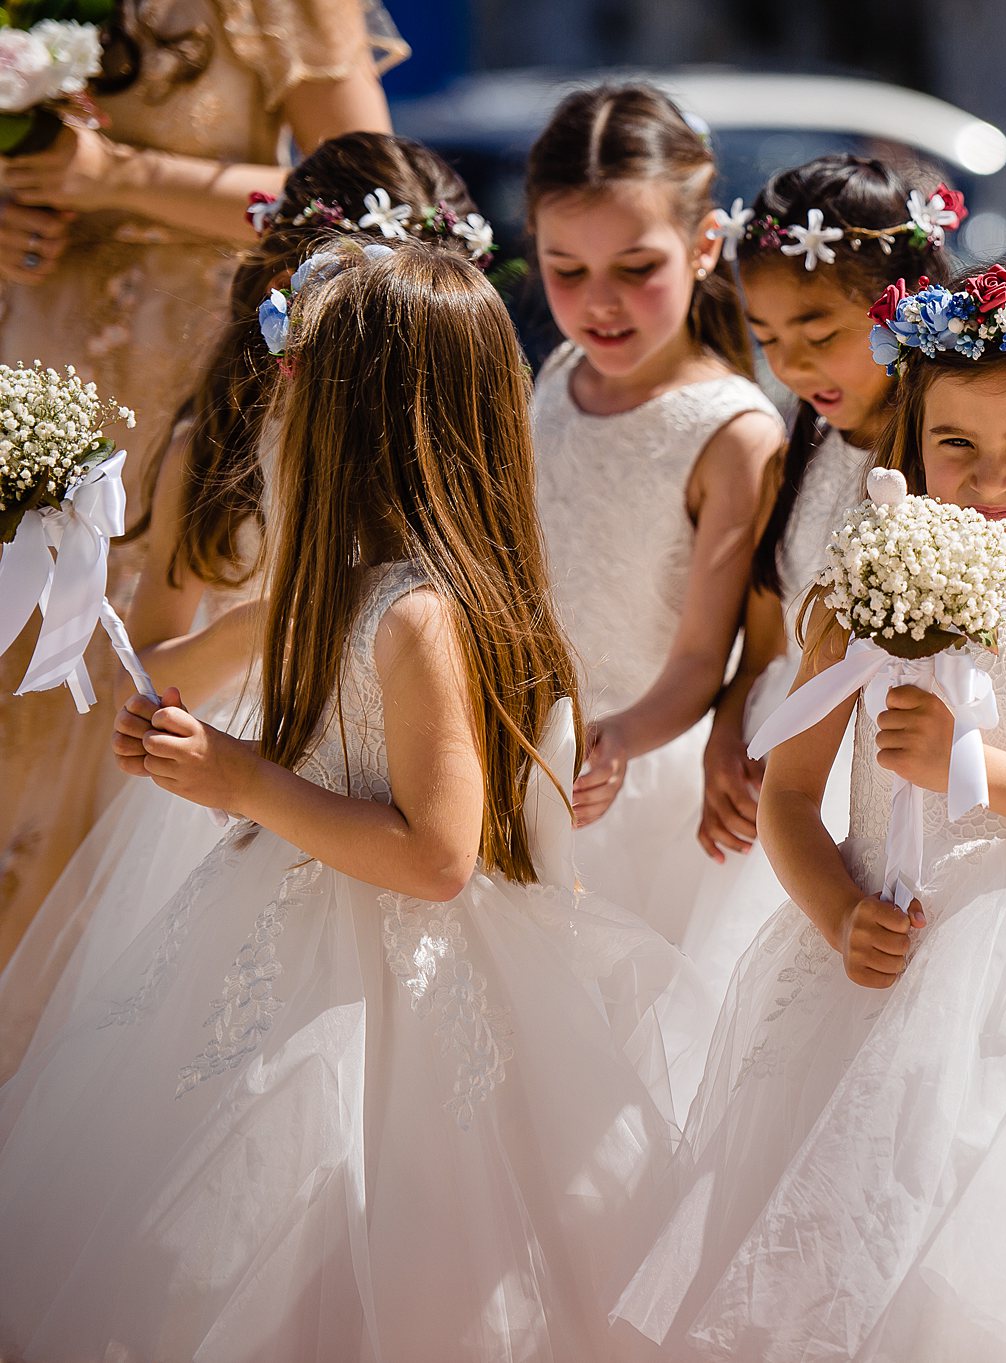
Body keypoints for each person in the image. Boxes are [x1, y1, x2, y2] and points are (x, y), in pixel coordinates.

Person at [0, 242, 687, 1359]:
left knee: (345, 1242)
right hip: (277, 929)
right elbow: (178, 665)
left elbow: (436, 859)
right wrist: (134, 672)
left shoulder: (415, 617)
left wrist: (237, 778)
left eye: (298, 379)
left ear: (369, 414)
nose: (276, 404)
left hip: (396, 983)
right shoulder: (328, 585)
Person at [615, 264, 1006, 1362]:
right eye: (956, 444)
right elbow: (795, 800)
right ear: (911, 443)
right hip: (881, 976)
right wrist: (831, 910)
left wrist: (973, 768)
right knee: (857, 1274)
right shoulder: (861, 586)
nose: (988, 479)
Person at [0, 131, 492, 1081]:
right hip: (225, 792)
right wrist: (284, 614)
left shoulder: (450, 448)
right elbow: (150, 669)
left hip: (401, 781)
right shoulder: (218, 447)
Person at [0, 0, 407, 951]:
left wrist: (121, 178)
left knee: (136, 689)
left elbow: (367, 204)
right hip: (34, 381)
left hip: (193, 393)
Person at [684, 152, 958, 990]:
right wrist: (726, 736)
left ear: (901, 304)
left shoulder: (946, 465)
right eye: (768, 341)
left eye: (821, 335)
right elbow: (768, 637)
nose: (795, 368)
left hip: (874, 789)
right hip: (774, 790)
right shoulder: (798, 445)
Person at [524, 82, 782, 953]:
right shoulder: (557, 372)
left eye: (637, 270)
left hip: (630, 780)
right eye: (567, 271)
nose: (600, 303)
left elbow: (705, 657)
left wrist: (612, 741)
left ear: (704, 245)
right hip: (522, 751)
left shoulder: (733, 431)